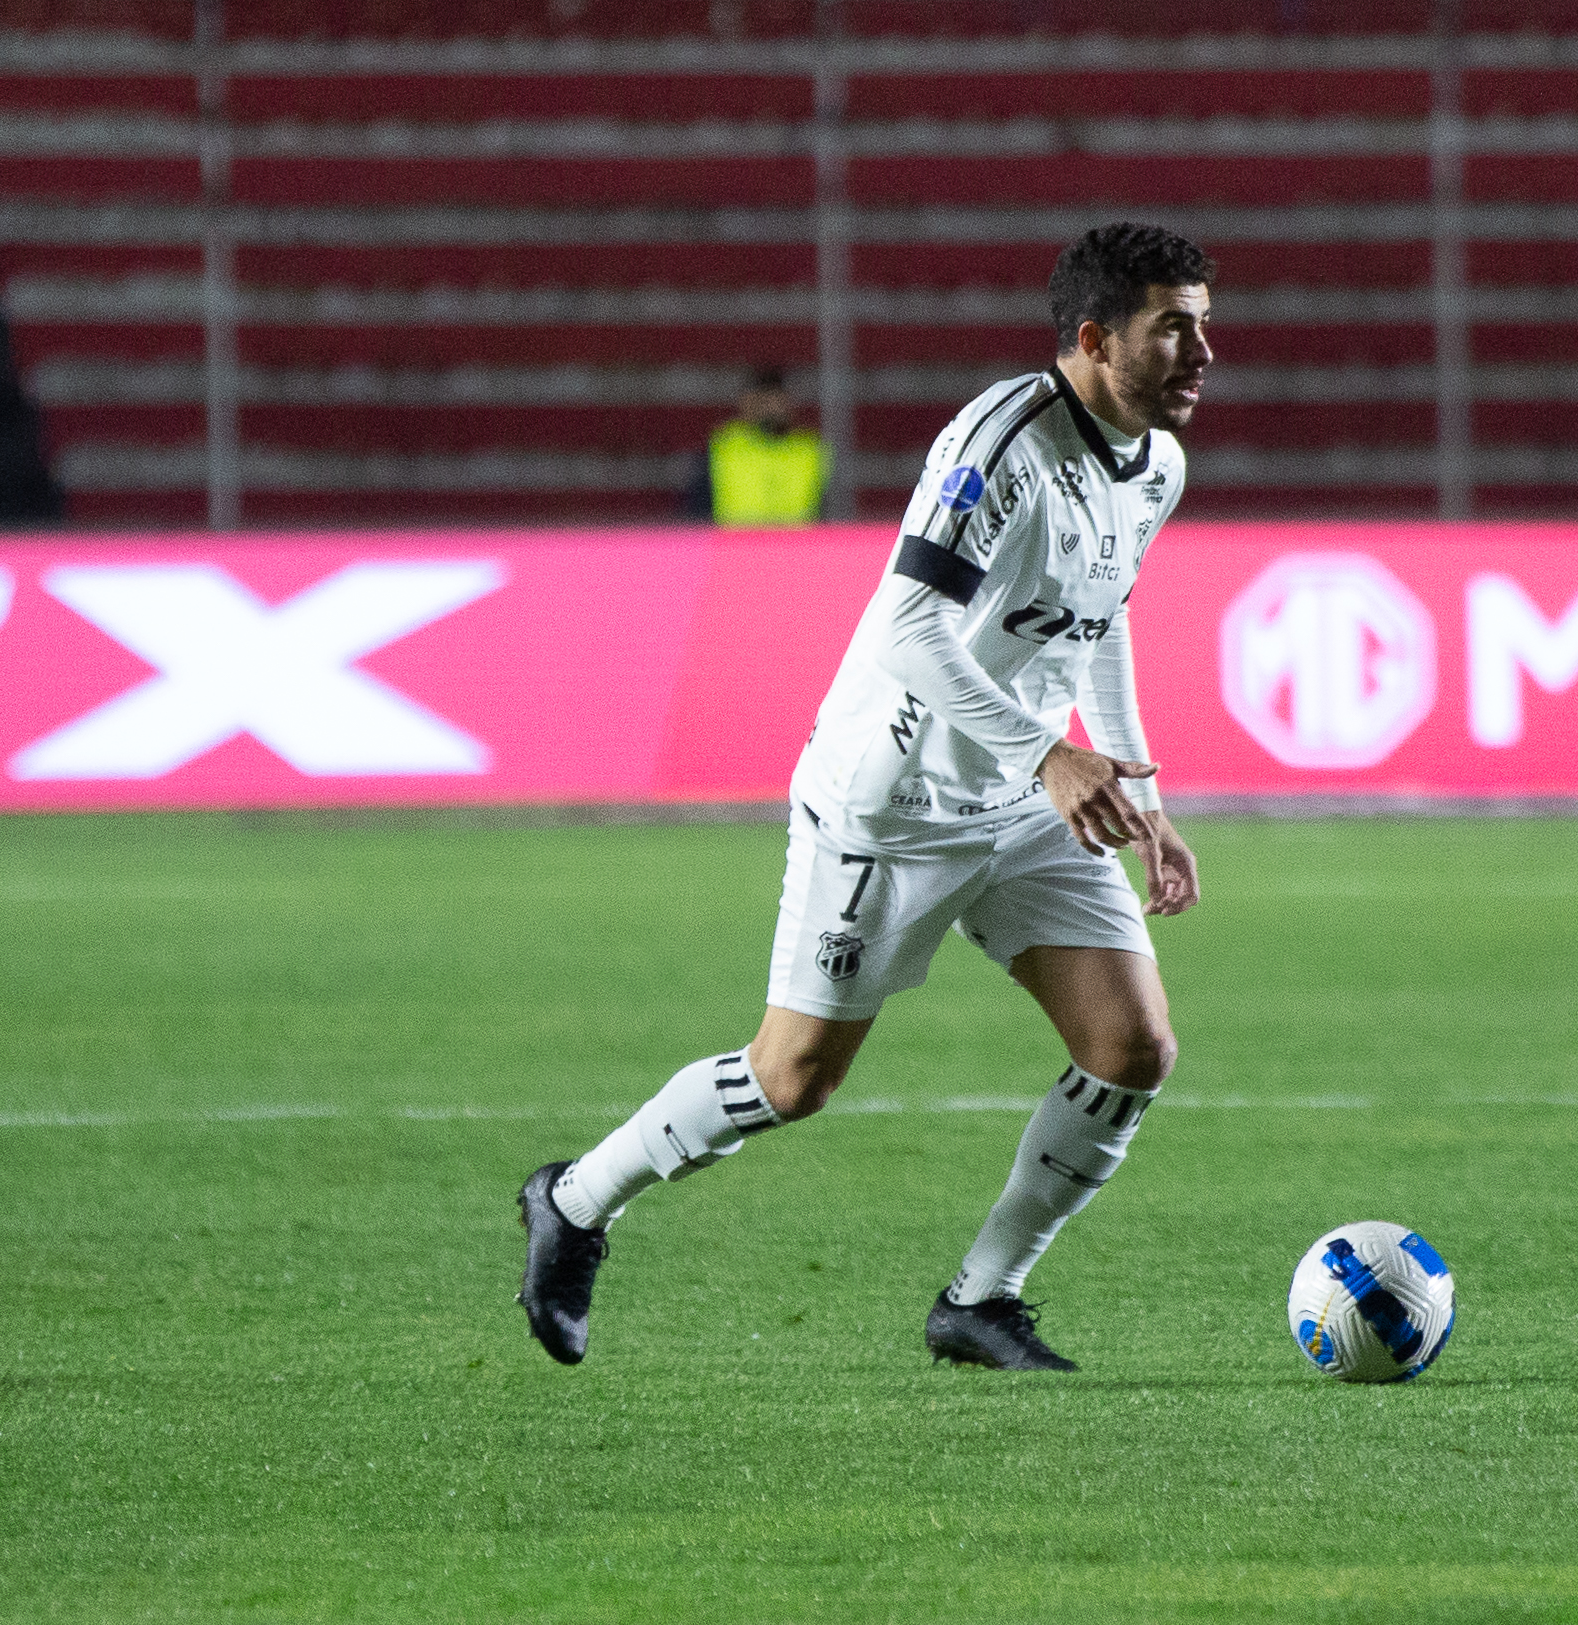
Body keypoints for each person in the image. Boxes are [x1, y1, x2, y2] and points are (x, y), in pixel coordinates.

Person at [519, 222, 1216, 1372]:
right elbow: (907, 627)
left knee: (1131, 1045)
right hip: (892, 803)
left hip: (1027, 802)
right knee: (793, 1078)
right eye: (1171, 328)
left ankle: (981, 1297)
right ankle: (578, 1198)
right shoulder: (1002, 444)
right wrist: (1051, 754)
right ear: (1094, 339)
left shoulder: (1158, 462)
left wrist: (1138, 786)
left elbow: (1100, 614)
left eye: (1203, 324)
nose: (1199, 352)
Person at [685, 366, 830, 526]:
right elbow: (696, 512)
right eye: (762, 401)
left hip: (796, 547)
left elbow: (833, 511)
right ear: (746, 402)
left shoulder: (810, 449)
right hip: (736, 547)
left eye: (775, 400)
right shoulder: (724, 446)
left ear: (789, 403)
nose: (769, 409)